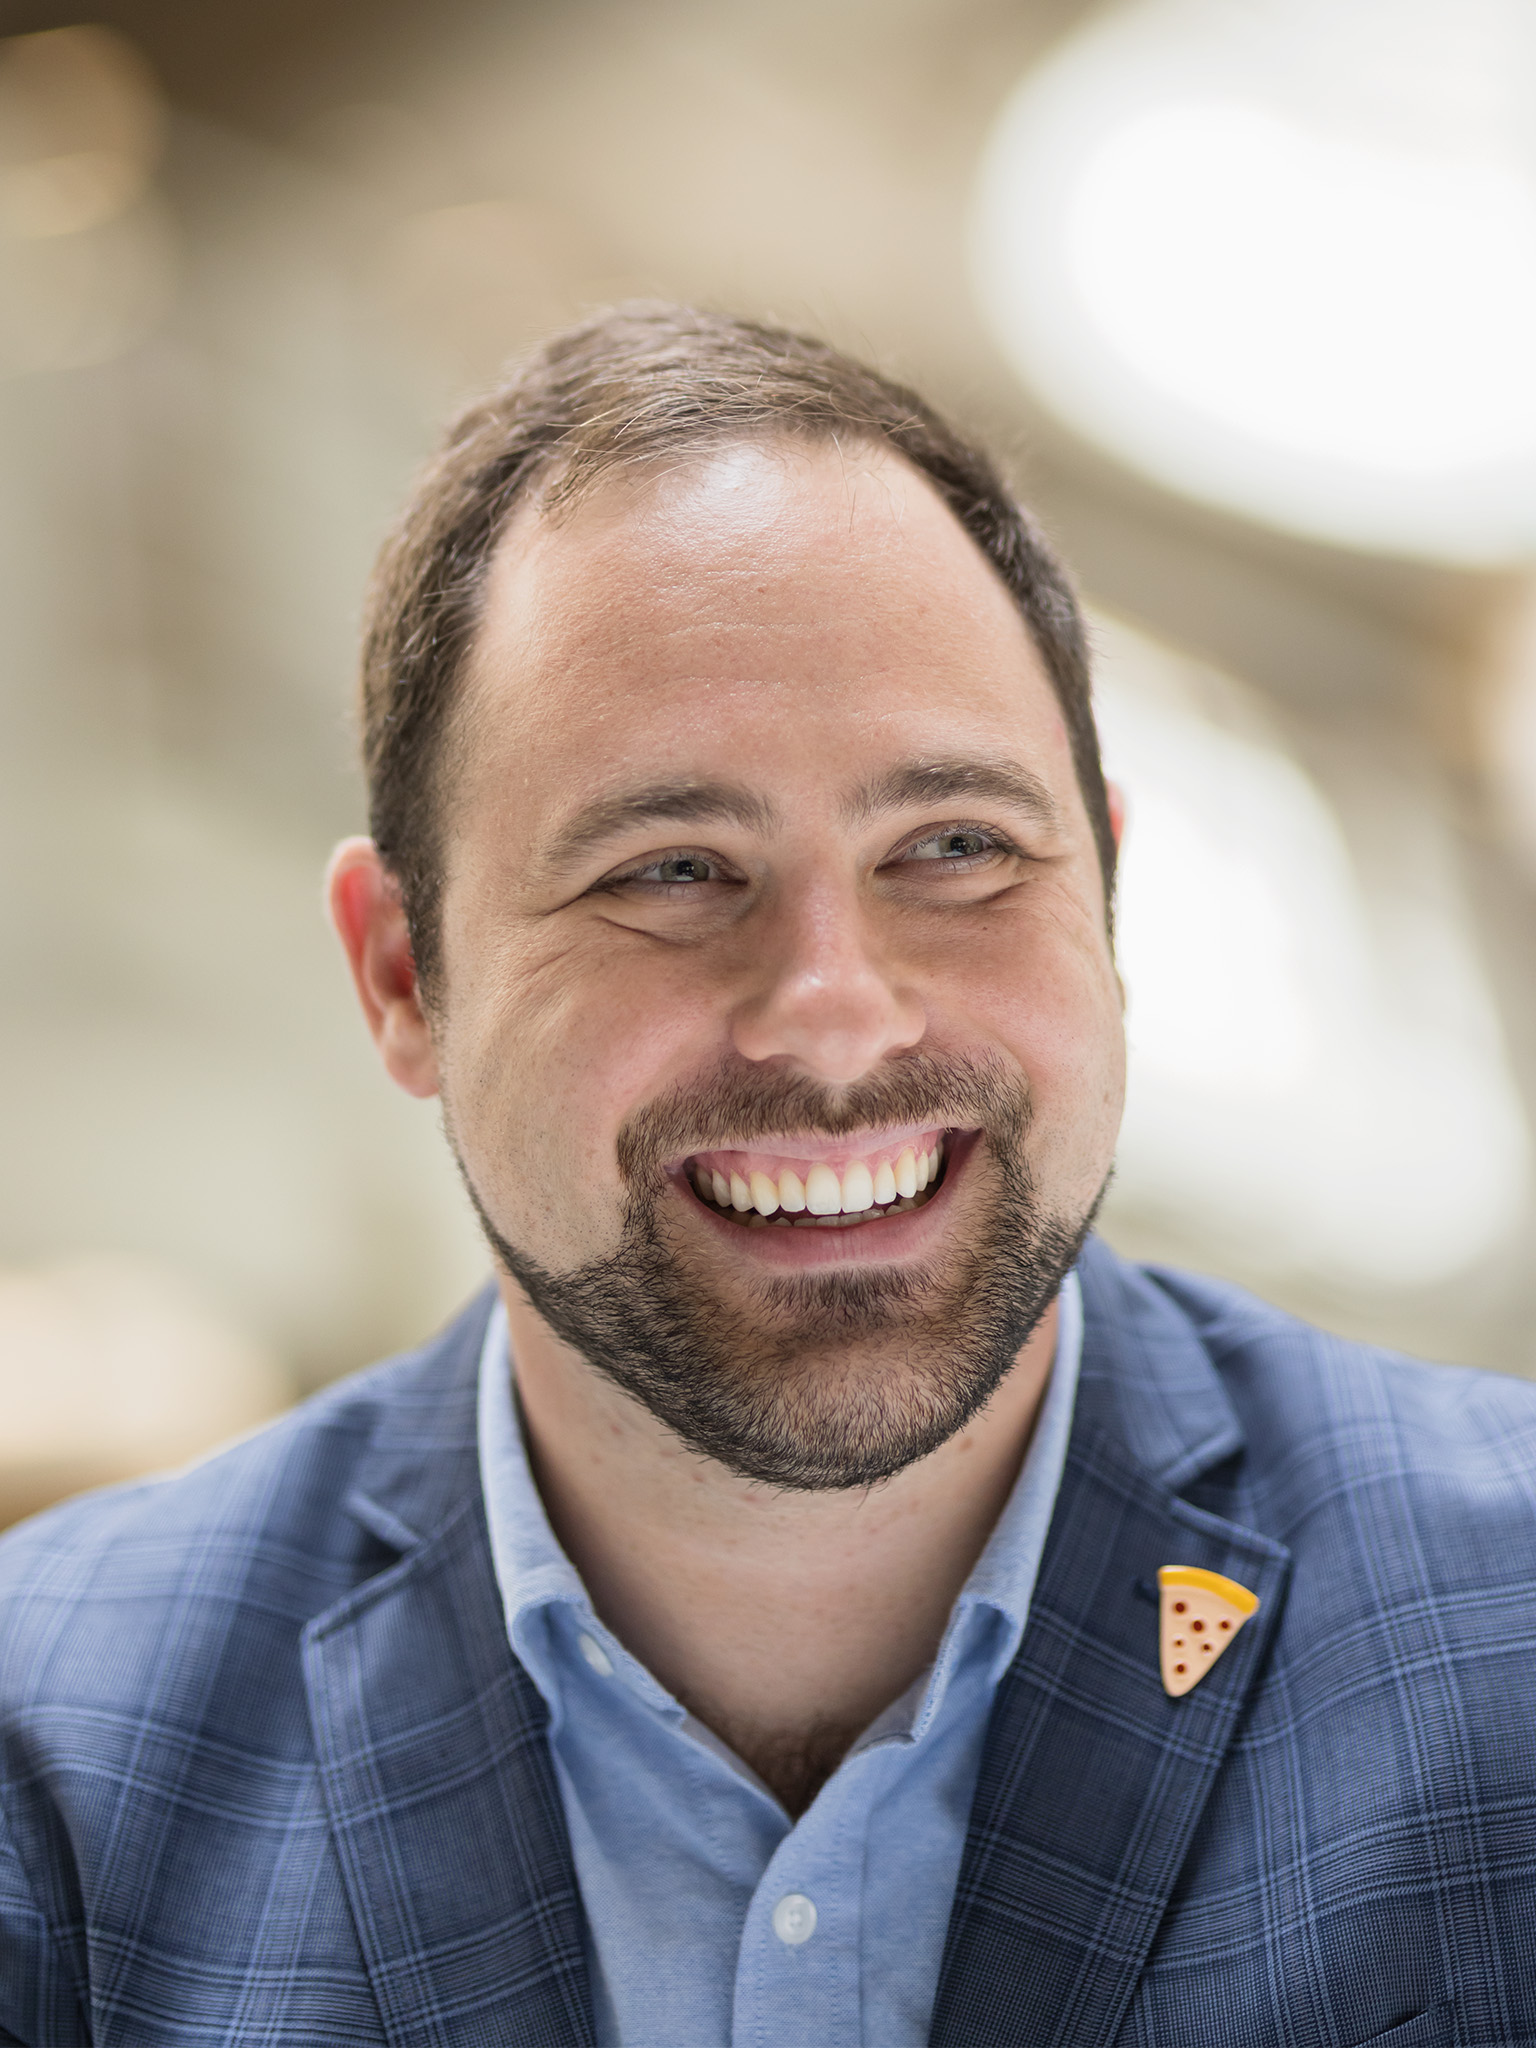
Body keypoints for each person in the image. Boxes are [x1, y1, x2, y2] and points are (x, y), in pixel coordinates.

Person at [2, 305, 1533, 2048]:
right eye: (669, 869)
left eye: (954, 848)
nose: (832, 1014)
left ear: (1103, 895)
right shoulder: (53, 1749)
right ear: (404, 978)